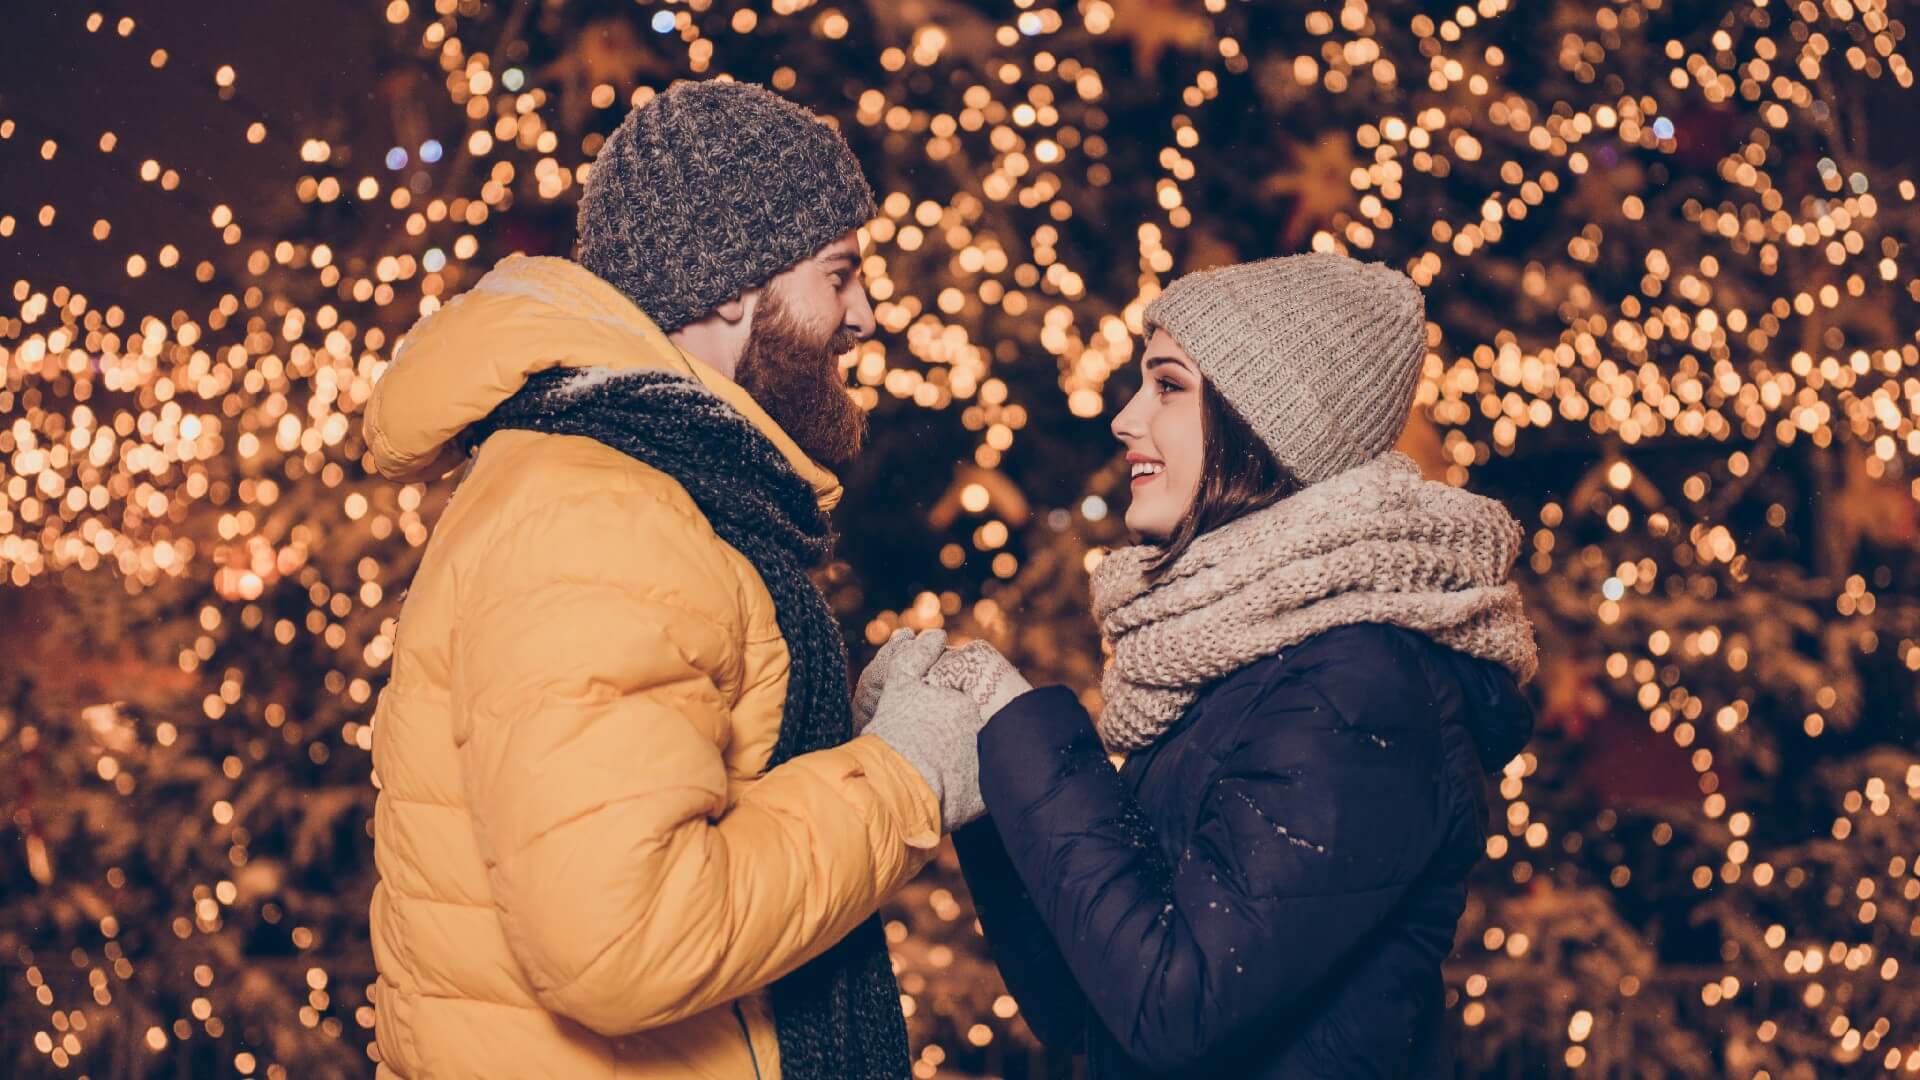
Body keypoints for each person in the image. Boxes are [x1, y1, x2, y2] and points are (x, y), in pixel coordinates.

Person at [362, 79, 980, 1080]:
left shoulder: (648, 485)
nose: (863, 315)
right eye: (838, 274)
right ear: (731, 285)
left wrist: (852, 738)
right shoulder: (604, 511)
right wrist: (901, 777)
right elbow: (625, 940)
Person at [884, 253, 1541, 1076]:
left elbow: (1177, 1007)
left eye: (1167, 385)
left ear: (1266, 422)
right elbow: (1080, 1002)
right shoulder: (1244, 662)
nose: (1126, 419)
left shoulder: (1359, 683)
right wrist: (984, 774)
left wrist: (1018, 723)